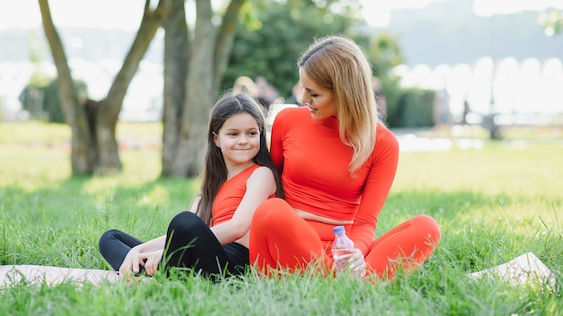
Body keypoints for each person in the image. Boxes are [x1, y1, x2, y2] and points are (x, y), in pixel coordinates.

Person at [249, 36, 441, 281]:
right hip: (287, 244)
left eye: (314, 94)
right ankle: (351, 286)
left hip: (342, 251)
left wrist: (355, 255)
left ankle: (343, 281)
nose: (304, 99)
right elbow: (269, 190)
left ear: (343, 93)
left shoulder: (383, 143)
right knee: (271, 210)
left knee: (427, 228)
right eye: (303, 89)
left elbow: (366, 223)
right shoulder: (287, 121)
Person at [99, 92, 282, 279]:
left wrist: (167, 250)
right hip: (197, 258)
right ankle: (151, 272)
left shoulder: (261, 174)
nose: (243, 140)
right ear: (216, 139)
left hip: (230, 266)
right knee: (110, 238)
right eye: (233, 134)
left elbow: (237, 227)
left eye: (251, 133)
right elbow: (186, 236)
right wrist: (138, 250)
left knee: (185, 222)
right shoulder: (209, 188)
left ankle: (150, 272)